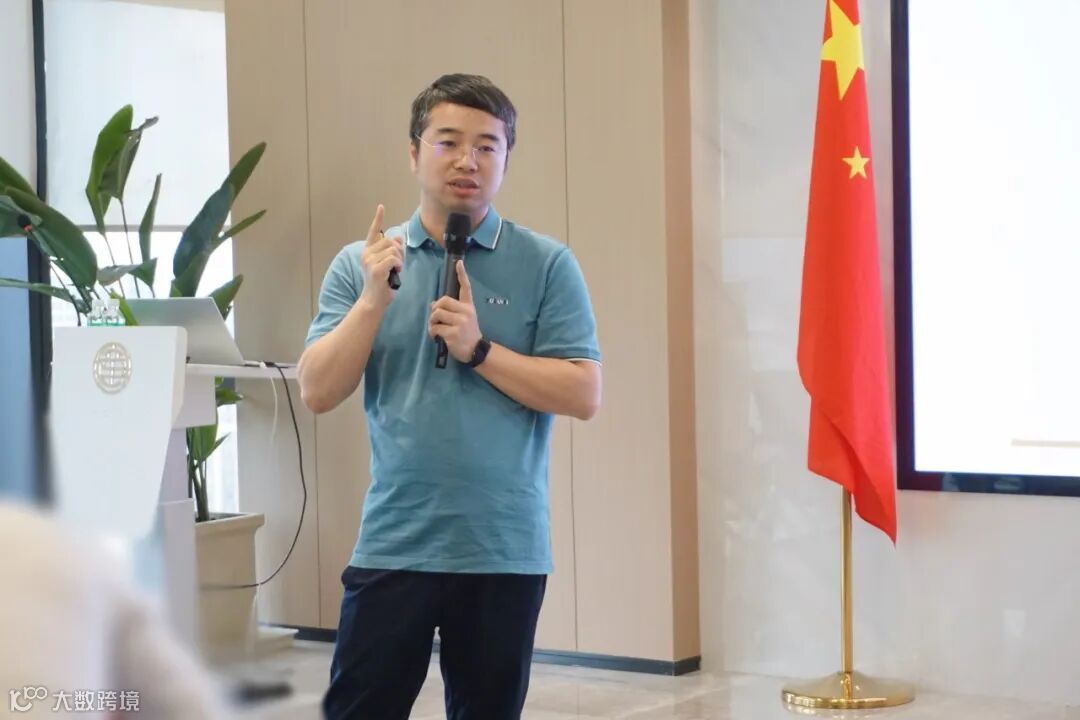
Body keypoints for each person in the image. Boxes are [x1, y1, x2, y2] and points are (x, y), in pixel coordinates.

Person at [298, 73, 602, 719]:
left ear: (506, 160)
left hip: (503, 547)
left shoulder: (547, 263)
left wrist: (480, 350)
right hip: (395, 540)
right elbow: (318, 390)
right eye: (449, 142)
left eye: (488, 146)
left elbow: (583, 391)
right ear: (414, 153)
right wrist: (373, 301)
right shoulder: (362, 262)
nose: (468, 160)